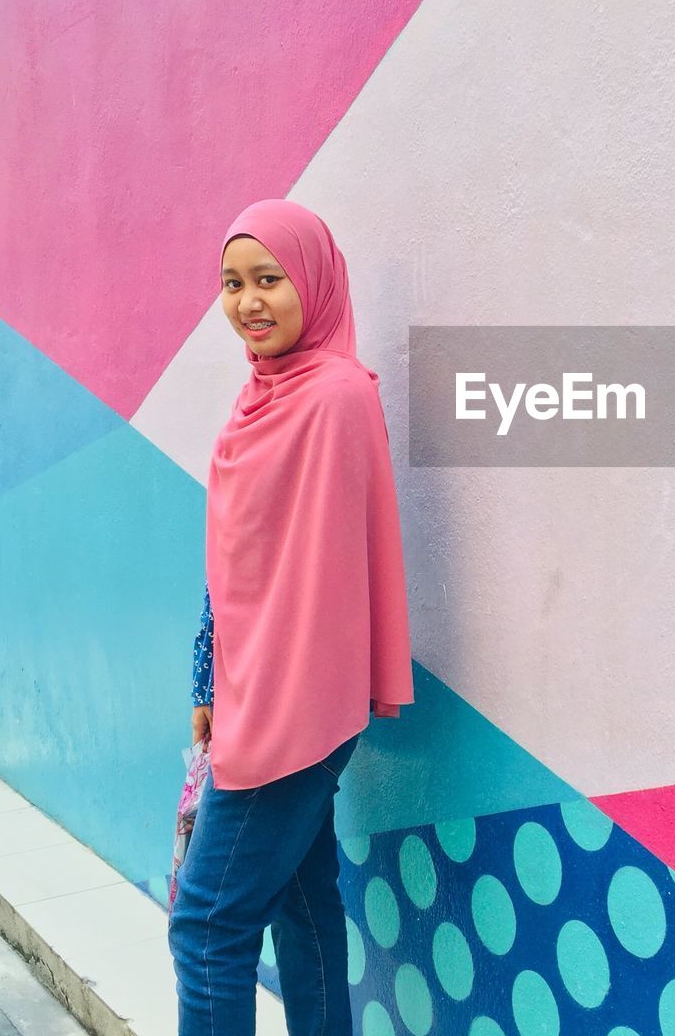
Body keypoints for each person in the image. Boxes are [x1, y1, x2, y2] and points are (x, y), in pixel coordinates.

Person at [168, 199, 415, 1035]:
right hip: (254, 693)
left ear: (312, 281)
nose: (249, 301)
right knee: (301, 910)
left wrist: (267, 708)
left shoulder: (336, 397)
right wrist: (210, 678)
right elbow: (235, 567)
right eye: (233, 284)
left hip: (296, 706)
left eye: (269, 279)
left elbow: (326, 576)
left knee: (205, 924)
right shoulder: (258, 400)